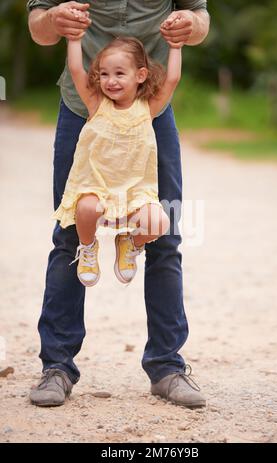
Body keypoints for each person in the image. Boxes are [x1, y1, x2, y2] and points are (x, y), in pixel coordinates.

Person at [27, 1, 210, 409]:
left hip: (150, 109)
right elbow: (39, 27)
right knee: (71, 233)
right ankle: (56, 365)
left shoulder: (154, 96)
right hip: (83, 108)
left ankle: (167, 367)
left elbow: (200, 20)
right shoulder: (93, 89)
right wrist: (54, 22)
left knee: (165, 231)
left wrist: (189, 25)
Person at [53, 29, 180, 287]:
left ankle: (130, 243)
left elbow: (173, 79)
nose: (111, 81)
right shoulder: (97, 104)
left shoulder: (148, 109)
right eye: (104, 74)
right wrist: (74, 38)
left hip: (135, 193)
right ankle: (88, 247)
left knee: (160, 221)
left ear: (140, 75)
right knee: (87, 208)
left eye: (119, 73)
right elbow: (77, 69)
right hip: (96, 188)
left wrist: (176, 46)